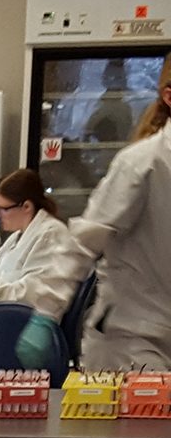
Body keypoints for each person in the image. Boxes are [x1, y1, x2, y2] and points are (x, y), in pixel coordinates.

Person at [18, 54, 171, 370]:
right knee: (143, 419)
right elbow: (84, 241)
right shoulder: (142, 163)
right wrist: (46, 314)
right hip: (134, 341)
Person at [0, 169, 74, 306]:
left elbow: (34, 295)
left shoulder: (51, 235)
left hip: (24, 322)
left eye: (3, 209)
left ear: (26, 206)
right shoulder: (17, 237)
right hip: (4, 315)